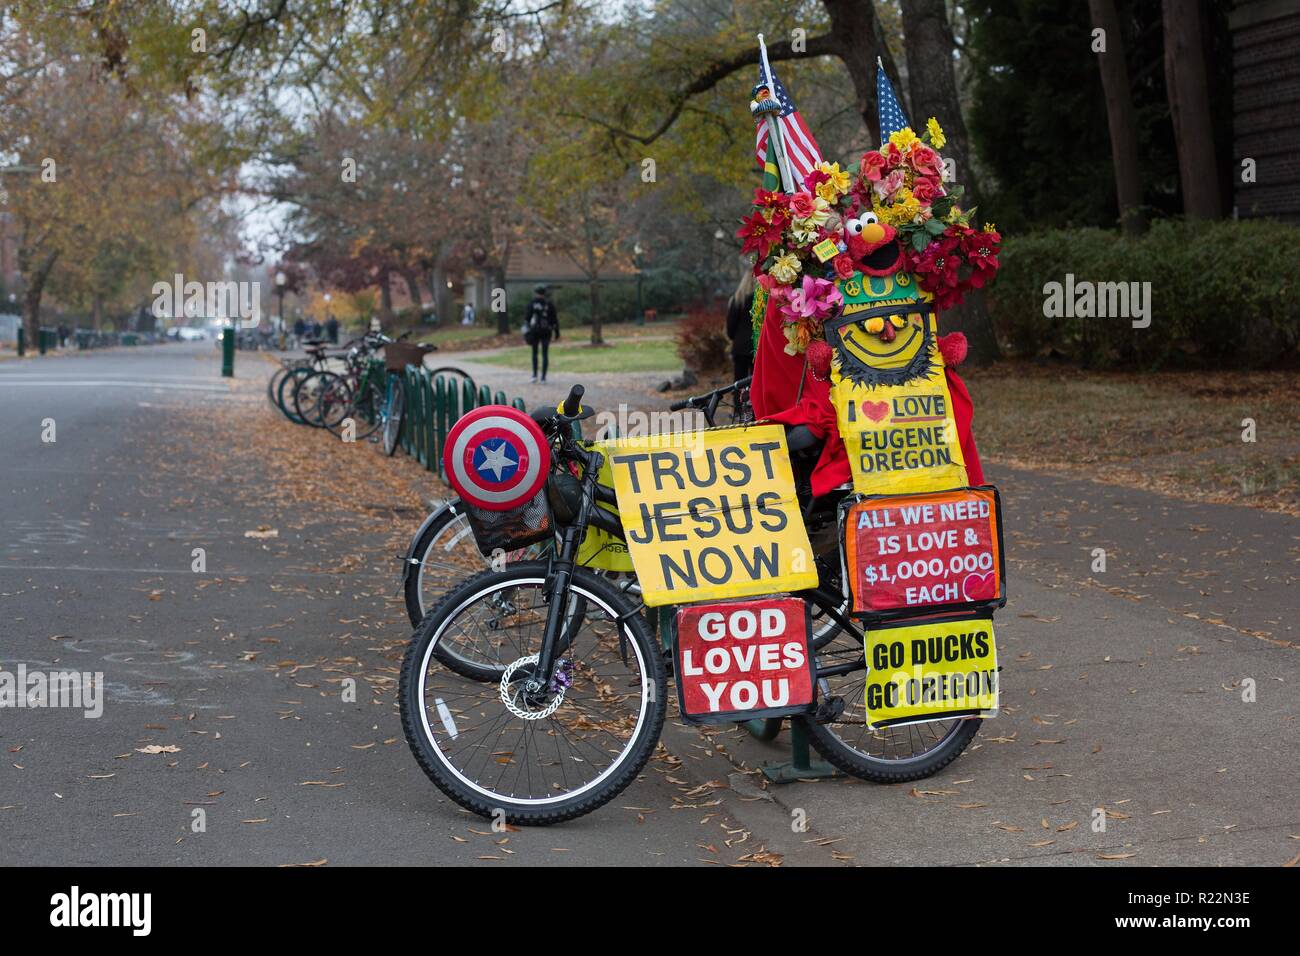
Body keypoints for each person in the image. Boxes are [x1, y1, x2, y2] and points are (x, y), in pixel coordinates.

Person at [523, 284, 560, 383]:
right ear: (545, 293)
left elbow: (526, 319)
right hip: (546, 331)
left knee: (534, 353)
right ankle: (543, 377)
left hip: (534, 331)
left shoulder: (532, 304)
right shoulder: (549, 304)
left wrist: (526, 332)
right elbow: (554, 319)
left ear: (536, 293)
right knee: (545, 354)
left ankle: (534, 375)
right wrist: (556, 332)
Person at [725, 270, 755, 382]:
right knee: (756, 381)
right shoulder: (762, 300)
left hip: (740, 345)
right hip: (757, 345)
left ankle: (738, 400)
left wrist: (734, 337)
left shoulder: (737, 299)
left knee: (738, 381)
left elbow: (731, 326)